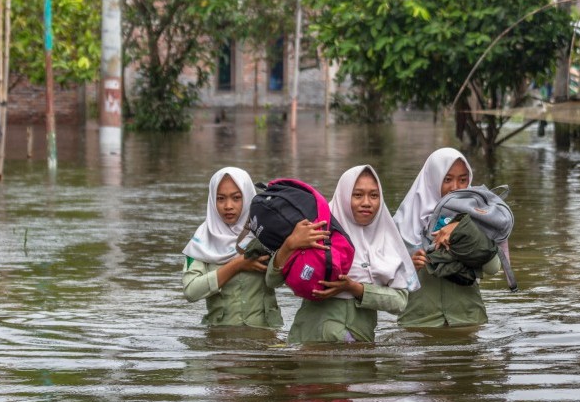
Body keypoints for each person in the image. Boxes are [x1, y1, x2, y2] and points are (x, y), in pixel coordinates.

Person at [265, 165, 419, 343]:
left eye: (374, 195)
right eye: (358, 195)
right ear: (344, 196)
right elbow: (272, 281)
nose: (367, 202)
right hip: (310, 347)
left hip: (358, 351)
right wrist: (289, 245)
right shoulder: (317, 229)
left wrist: (355, 288)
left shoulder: (387, 241)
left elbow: (400, 302)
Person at [393, 147, 501, 328]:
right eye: (447, 179)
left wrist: (464, 228)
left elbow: (493, 268)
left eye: (463, 180)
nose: (455, 188)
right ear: (432, 180)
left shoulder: (479, 215)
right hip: (418, 323)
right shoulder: (403, 224)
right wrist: (410, 266)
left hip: (467, 321)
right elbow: (385, 280)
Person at [182, 167, 283, 329]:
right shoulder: (201, 241)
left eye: (236, 198)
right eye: (220, 198)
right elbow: (191, 291)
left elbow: (280, 281)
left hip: (265, 337)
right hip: (220, 340)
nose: (228, 206)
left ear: (249, 197)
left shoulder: (265, 234)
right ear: (212, 201)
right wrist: (237, 265)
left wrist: (288, 248)